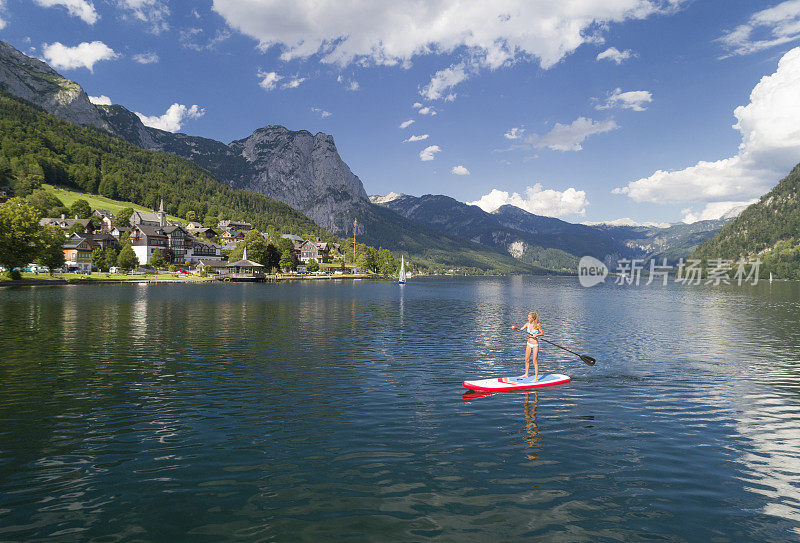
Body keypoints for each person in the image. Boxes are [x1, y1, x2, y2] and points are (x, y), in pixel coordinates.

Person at [512, 312, 544, 381]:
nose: (528, 319)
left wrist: (537, 335)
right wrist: (515, 328)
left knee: (534, 361)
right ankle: (526, 374)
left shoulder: (537, 325)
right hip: (528, 343)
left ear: (533, 318)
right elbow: (520, 330)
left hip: (535, 344)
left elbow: (542, 333)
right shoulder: (527, 324)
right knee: (526, 360)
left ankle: (536, 378)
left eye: (529, 318)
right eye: (528, 317)